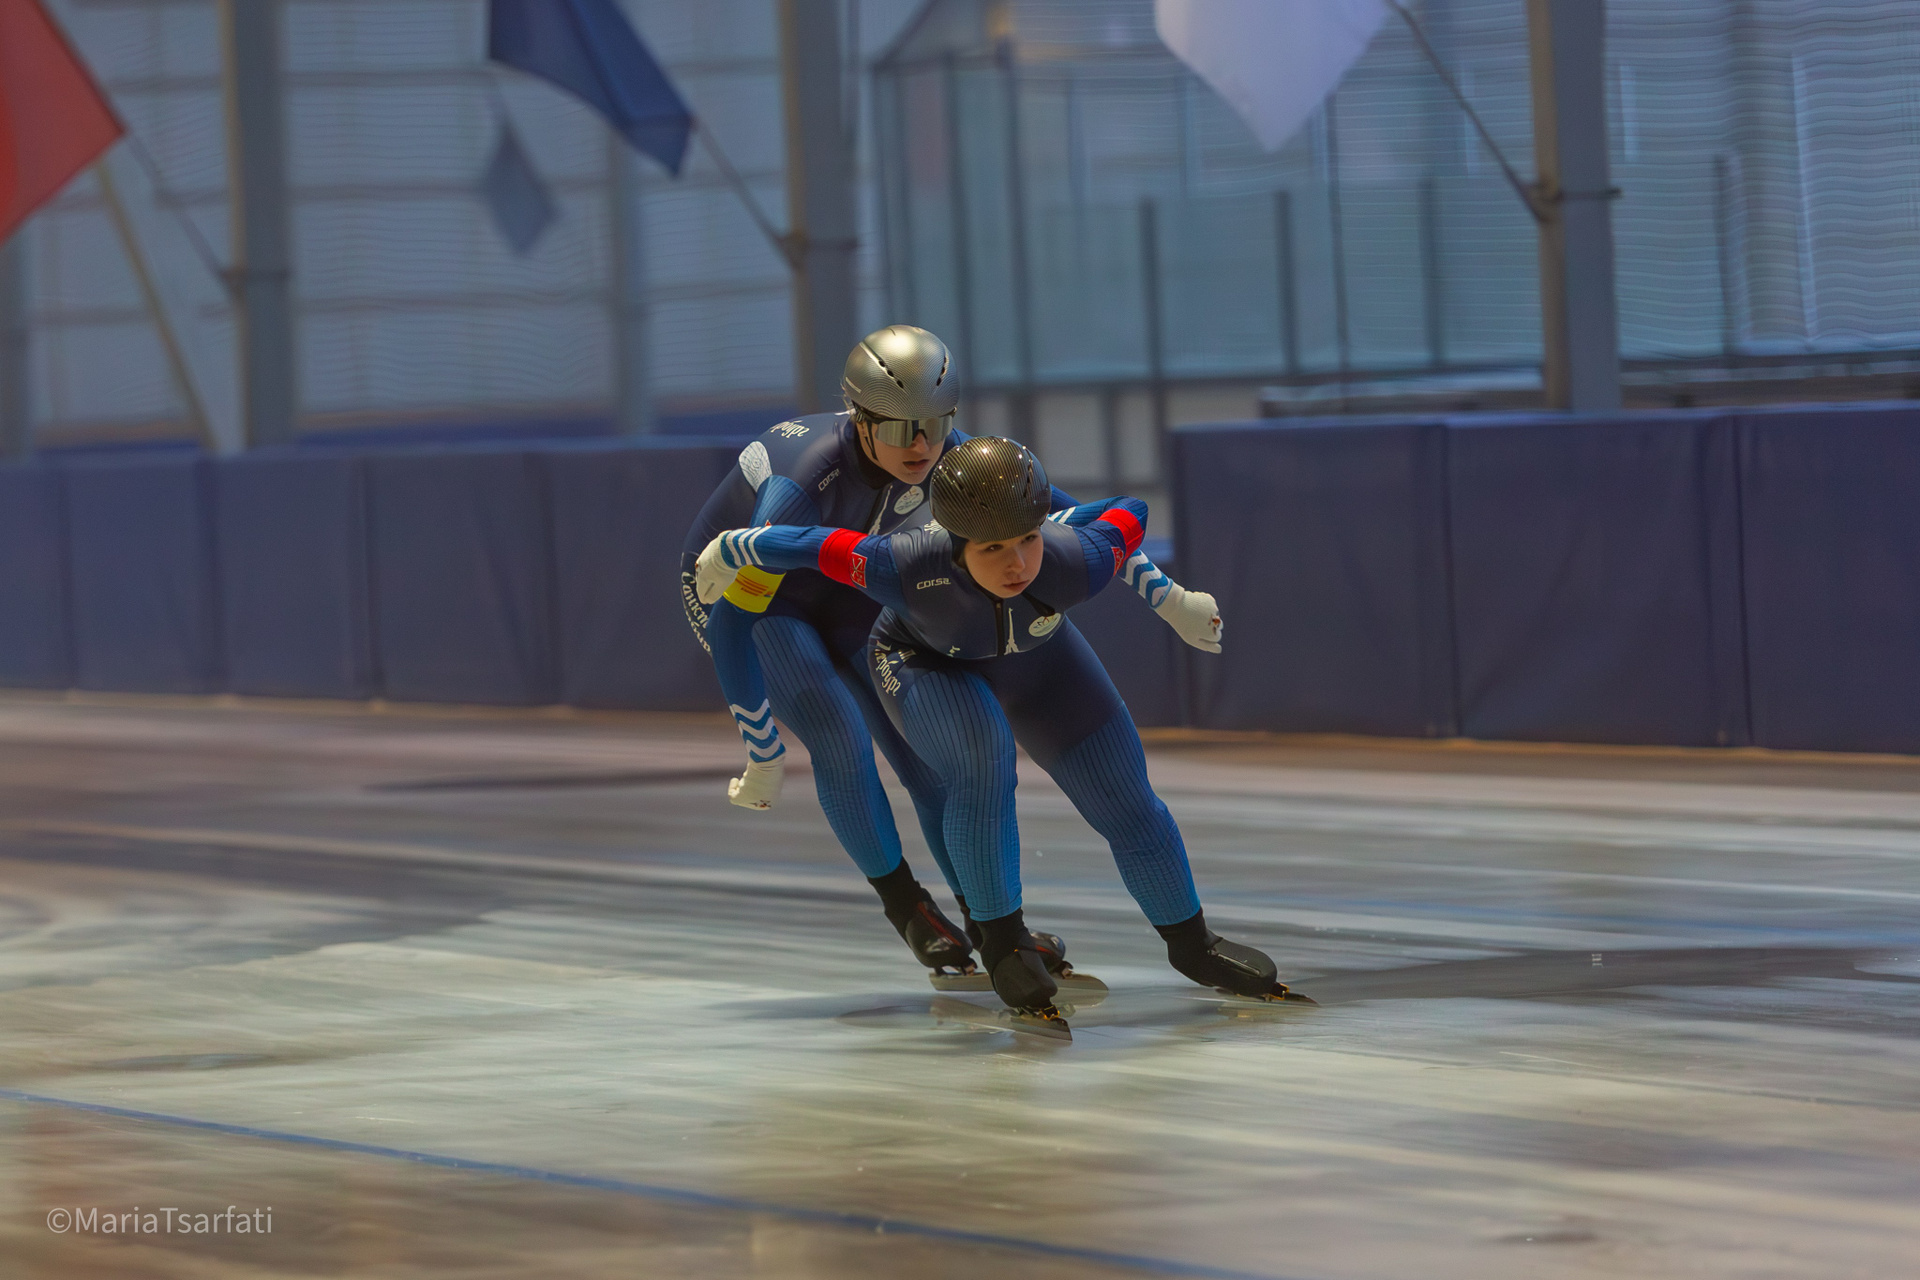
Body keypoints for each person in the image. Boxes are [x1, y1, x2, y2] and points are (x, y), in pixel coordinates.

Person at [694, 436, 1309, 1030]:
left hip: (1040, 662)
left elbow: (1129, 512)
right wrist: (731, 548)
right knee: (982, 765)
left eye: (1027, 539)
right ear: (955, 543)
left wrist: (1170, 599)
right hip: (925, 664)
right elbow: (804, 544)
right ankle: (1006, 945)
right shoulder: (902, 563)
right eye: (992, 548)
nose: (1016, 565)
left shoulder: (1075, 558)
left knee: (1128, 797)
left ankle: (1192, 942)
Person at [680, 327, 1219, 982]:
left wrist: (1171, 597)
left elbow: (1059, 516)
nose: (921, 447)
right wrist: (761, 749)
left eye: (935, 426)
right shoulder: (802, 483)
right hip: (747, 587)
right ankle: (906, 906)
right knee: (838, 733)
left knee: (931, 762)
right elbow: (734, 618)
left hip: (848, 575)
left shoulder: (948, 453)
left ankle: (985, 922)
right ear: (859, 417)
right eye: (901, 429)